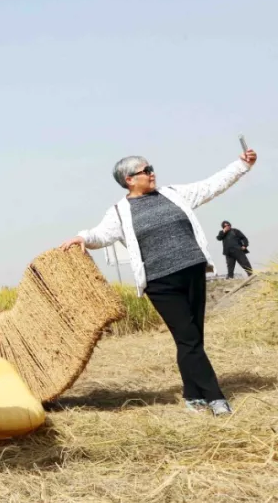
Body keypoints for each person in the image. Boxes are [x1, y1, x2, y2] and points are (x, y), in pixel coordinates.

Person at [60, 148, 257, 416]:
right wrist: (82, 238)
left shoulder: (173, 194)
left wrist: (241, 165)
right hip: (160, 283)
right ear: (129, 179)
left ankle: (192, 395)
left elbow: (211, 186)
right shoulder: (120, 212)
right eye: (146, 170)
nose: (152, 173)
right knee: (188, 338)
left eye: (151, 168)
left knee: (193, 338)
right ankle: (215, 397)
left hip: (193, 271)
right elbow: (100, 234)